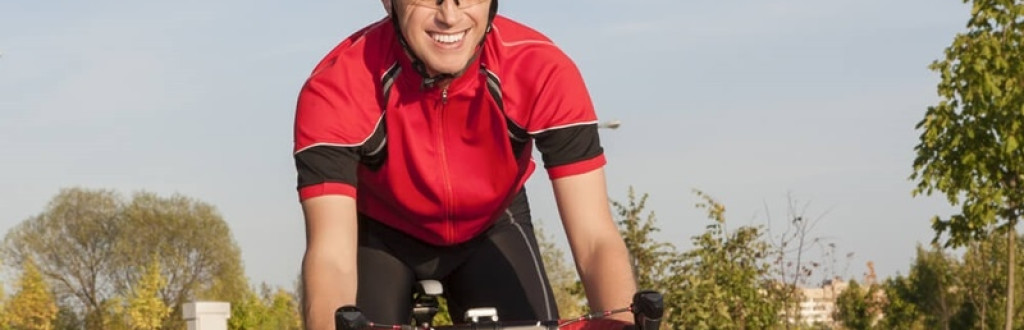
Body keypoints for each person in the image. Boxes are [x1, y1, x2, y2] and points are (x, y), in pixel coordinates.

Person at [293, 1, 637, 329]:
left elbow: (594, 240)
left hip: (492, 222)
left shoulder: (542, 69)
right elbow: (331, 258)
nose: (450, 15)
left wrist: (624, 324)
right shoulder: (335, 87)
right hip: (381, 233)